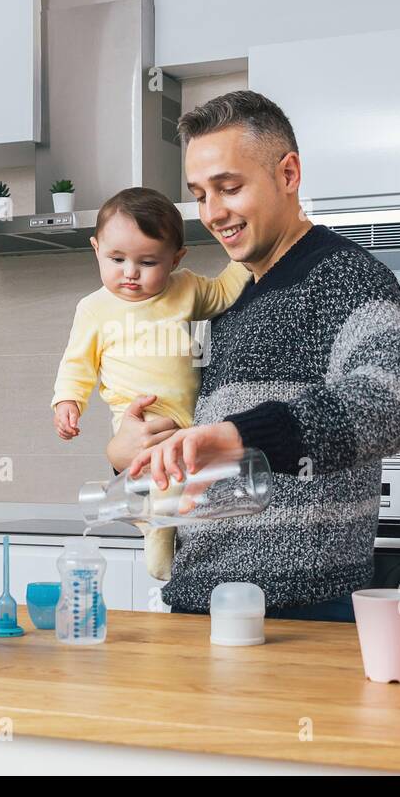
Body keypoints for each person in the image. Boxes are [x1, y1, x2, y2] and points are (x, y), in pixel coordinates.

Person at [110, 91, 400, 622]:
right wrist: (129, 450)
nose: (213, 213)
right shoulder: (229, 301)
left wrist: (244, 434)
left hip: (299, 612)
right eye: (199, 194)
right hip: (201, 600)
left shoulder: (344, 278)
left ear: (288, 174)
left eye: (229, 187)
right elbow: (199, 458)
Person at [51, 186, 251, 580]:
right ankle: (157, 542)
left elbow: (227, 291)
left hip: (190, 418)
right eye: (116, 258)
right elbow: (77, 363)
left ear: (176, 259)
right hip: (136, 417)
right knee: (159, 480)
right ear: (95, 249)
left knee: (183, 482)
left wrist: (245, 250)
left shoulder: (188, 289)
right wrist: (67, 401)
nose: (129, 273)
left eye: (147, 262)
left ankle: (151, 515)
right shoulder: (94, 308)